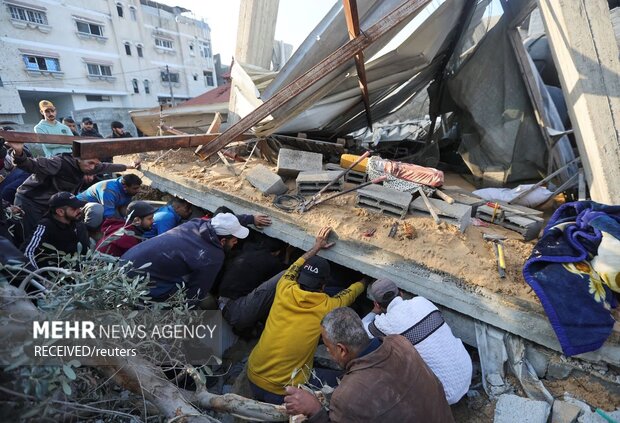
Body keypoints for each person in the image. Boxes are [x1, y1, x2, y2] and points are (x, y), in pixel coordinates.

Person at [246, 227, 367, 404]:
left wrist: (316, 247)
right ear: (324, 285)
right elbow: (351, 292)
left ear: (300, 278)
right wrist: (366, 281)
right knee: (343, 378)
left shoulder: (284, 287)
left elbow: (296, 265)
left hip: (253, 374)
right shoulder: (328, 305)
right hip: (282, 391)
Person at [283, 307, 454, 423]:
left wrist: (315, 410)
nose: (328, 352)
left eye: (328, 347)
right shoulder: (400, 342)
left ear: (342, 349)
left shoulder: (347, 396)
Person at [362, 278, 472, 405]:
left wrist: (374, 312)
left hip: (445, 394)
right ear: (401, 293)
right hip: (466, 369)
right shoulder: (422, 301)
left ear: (377, 304)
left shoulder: (384, 323)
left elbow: (361, 329)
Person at [122, 212, 269, 303]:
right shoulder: (212, 257)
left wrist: (250, 218)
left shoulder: (197, 223)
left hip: (125, 261)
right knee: (184, 295)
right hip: (135, 283)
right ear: (223, 241)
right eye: (234, 240)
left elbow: (219, 221)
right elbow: (196, 294)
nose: (236, 242)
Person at [5, 140, 138, 239]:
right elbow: (29, 164)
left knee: (52, 233)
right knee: (32, 234)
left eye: (95, 164)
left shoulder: (91, 166)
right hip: (30, 201)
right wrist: (18, 152)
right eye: (90, 163)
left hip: (51, 205)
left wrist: (129, 166)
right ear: (77, 158)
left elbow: (107, 167)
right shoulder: (58, 162)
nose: (93, 168)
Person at [217, 236, 287, 331]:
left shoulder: (247, 250)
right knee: (284, 275)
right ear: (277, 252)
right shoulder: (272, 261)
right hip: (236, 312)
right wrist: (287, 258)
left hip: (221, 301)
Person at [23, 192, 89, 270]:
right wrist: (39, 278)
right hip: (53, 276)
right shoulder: (45, 226)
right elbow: (28, 252)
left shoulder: (79, 225)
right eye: (74, 208)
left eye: (79, 207)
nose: (79, 211)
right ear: (60, 212)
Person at [77, 174, 143, 230]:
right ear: (125, 187)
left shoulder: (126, 189)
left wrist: (131, 220)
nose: (138, 190)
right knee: (97, 209)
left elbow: (124, 207)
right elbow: (108, 215)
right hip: (80, 208)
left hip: (105, 206)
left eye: (139, 187)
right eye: (135, 188)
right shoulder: (109, 190)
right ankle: (89, 230)